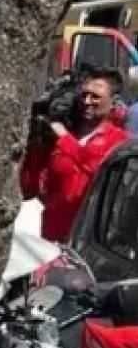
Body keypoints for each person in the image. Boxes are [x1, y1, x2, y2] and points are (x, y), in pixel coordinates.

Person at [21, 68, 130, 243]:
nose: (87, 101)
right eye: (84, 95)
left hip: (92, 241)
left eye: (95, 97)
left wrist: (64, 138)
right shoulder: (60, 135)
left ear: (113, 102)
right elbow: (32, 187)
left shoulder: (120, 140)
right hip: (53, 234)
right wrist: (36, 146)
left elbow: (96, 165)